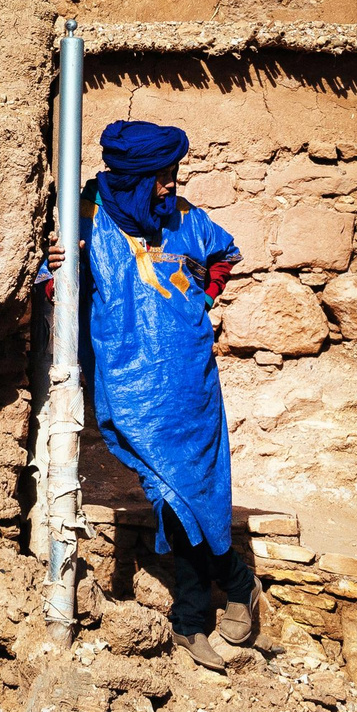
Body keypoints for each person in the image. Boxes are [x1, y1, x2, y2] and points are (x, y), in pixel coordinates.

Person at [43, 118, 257, 669]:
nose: (170, 184)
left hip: (190, 381)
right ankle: (236, 581)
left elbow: (224, 255)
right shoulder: (84, 217)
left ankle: (189, 621)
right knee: (168, 491)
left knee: (193, 492)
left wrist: (199, 300)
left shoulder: (184, 218)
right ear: (132, 176)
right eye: (161, 175)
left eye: (173, 173)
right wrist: (58, 267)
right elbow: (49, 285)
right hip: (130, 384)